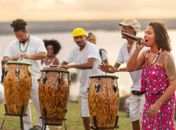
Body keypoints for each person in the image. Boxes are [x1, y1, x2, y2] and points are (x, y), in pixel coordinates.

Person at [127, 22, 176, 130]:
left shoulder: (166, 57)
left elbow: (174, 84)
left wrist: (158, 104)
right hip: (149, 102)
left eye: (149, 33)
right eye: (145, 33)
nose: (145, 36)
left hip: (164, 103)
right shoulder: (146, 54)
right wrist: (137, 49)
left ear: (158, 36)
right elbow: (130, 68)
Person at [99, 19, 146, 130]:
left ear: (133, 30)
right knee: (133, 118)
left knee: (144, 119)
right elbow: (115, 68)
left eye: (126, 28)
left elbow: (143, 66)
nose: (123, 30)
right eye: (123, 28)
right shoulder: (123, 47)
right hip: (135, 87)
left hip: (146, 87)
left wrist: (119, 69)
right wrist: (109, 68)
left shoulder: (142, 46)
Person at [3, 19, 47, 130]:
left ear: (25, 31)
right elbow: (5, 58)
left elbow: (43, 54)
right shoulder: (13, 44)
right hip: (19, 80)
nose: (19, 38)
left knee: (39, 104)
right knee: (23, 105)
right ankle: (26, 127)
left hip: (35, 77)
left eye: (21, 36)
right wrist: (11, 58)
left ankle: (43, 127)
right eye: (17, 36)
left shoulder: (37, 41)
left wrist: (29, 56)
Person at [60, 27, 103, 130]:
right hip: (83, 85)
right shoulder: (74, 50)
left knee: (97, 112)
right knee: (85, 113)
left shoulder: (92, 47)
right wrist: (57, 68)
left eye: (80, 37)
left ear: (85, 37)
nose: (78, 40)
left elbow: (90, 65)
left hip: (96, 84)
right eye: (76, 38)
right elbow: (64, 63)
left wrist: (71, 66)